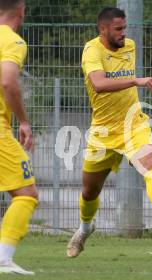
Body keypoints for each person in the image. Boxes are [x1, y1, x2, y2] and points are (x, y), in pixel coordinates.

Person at [66, 7, 152, 258]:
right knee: (89, 192)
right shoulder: (92, 50)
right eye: (118, 29)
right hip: (103, 132)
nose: (123, 34)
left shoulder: (129, 46)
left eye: (124, 28)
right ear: (102, 29)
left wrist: (135, 83)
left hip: (133, 124)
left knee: (149, 164)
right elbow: (99, 84)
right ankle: (85, 228)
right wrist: (136, 80)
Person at [0, 0, 39, 275]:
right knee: (26, 194)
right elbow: (8, 81)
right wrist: (23, 121)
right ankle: (3, 257)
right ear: (21, 9)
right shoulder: (13, 41)